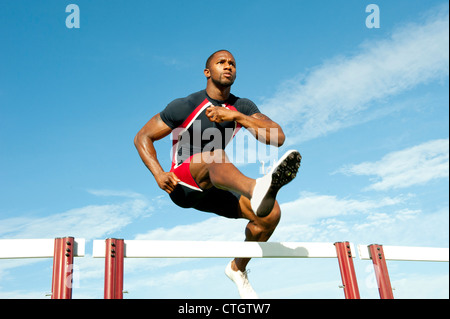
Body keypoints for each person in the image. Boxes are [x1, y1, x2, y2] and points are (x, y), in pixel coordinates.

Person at [134, 50, 301, 298]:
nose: (228, 66)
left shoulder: (242, 106)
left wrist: (238, 117)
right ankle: (257, 189)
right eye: (221, 62)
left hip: (215, 186)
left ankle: (237, 268)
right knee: (215, 155)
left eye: (232, 63)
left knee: (270, 215)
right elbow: (142, 137)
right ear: (207, 72)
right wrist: (158, 174)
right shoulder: (186, 105)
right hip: (182, 184)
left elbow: (278, 137)